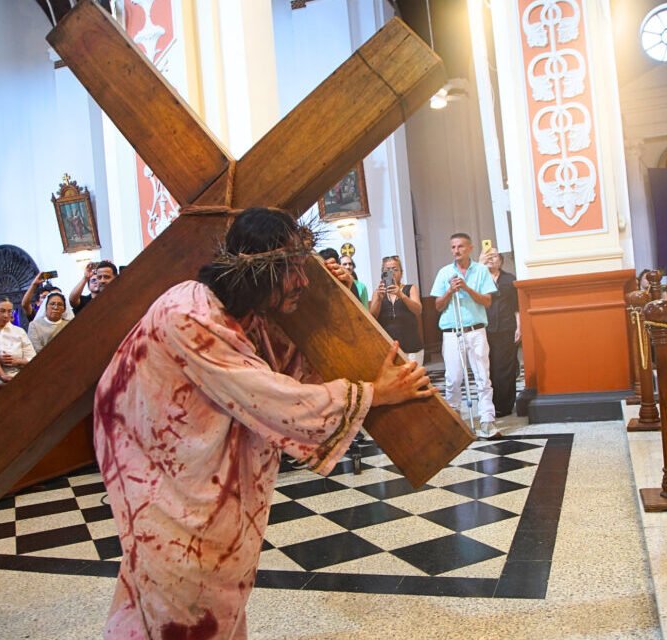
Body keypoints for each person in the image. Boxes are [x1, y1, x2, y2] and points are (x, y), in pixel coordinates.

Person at [93, 207, 432, 639]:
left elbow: (284, 362)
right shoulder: (189, 316)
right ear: (259, 271)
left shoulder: (233, 313)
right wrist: (374, 394)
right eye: (293, 270)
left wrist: (337, 298)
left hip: (184, 474)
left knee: (189, 599)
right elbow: (269, 395)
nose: (304, 282)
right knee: (181, 600)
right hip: (163, 481)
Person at [430, 233, 498, 439]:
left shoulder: (480, 271)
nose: (456, 251)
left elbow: (487, 301)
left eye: (460, 246)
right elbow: (437, 306)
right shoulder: (444, 273)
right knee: (453, 378)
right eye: (453, 247)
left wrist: (466, 288)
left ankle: (487, 419)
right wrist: (450, 291)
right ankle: (454, 416)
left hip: (475, 330)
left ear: (470, 248)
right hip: (452, 332)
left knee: (482, 376)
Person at [481, 250, 520, 417]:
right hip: (484, 328)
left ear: (501, 261)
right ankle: (491, 404)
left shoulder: (509, 279)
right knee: (488, 366)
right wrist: (480, 265)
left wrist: (520, 326)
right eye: (488, 256)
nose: (491, 258)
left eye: (495, 256)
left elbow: (517, 306)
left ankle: (505, 405)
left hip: (506, 327)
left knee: (506, 367)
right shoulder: (479, 277)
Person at [370, 255, 424, 364]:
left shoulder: (410, 288)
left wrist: (401, 294)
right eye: (387, 270)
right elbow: (372, 318)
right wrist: (379, 300)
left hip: (411, 346)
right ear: (382, 273)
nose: (392, 273)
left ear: (401, 272)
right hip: (388, 348)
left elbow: (418, 310)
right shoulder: (378, 292)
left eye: (395, 269)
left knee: (414, 379)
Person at [0, 297, 36, 384]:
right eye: (2, 311)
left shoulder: (19, 331)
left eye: (9, 311)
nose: (6, 315)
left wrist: (17, 361)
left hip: (18, 379)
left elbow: (33, 359)